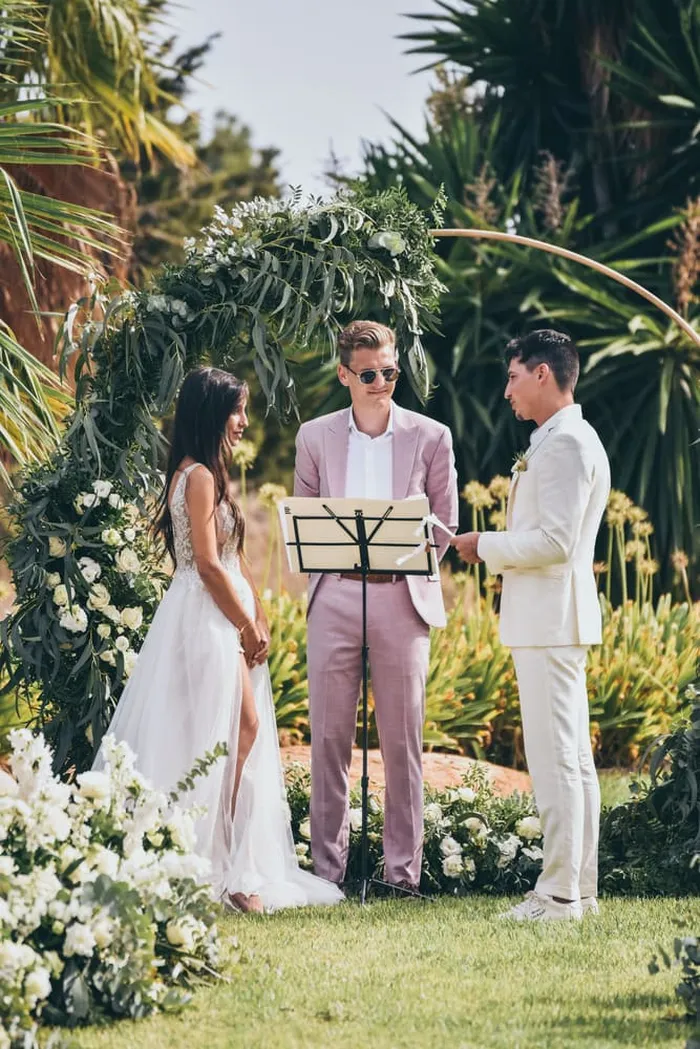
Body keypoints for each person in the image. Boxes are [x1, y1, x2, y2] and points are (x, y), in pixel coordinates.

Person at [94, 367, 343, 915]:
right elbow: (206, 563)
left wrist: (258, 610)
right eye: (237, 410)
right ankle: (220, 864)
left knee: (224, 731)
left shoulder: (211, 472)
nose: (244, 422)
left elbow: (234, 558)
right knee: (234, 729)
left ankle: (218, 856)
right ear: (212, 412)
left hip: (220, 610)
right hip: (203, 616)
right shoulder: (198, 476)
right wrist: (243, 623)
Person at [451, 330, 611, 921]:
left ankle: (559, 894)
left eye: (513, 376)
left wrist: (483, 544)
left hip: (551, 620)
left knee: (557, 759)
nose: (506, 391)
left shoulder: (567, 443)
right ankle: (580, 890)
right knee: (571, 759)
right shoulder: (559, 439)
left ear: (543, 373)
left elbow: (556, 542)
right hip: (551, 620)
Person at [294, 321, 458, 892]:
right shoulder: (313, 436)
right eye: (370, 374)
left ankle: (401, 877)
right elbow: (305, 521)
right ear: (344, 375)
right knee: (330, 738)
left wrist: (407, 560)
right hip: (332, 593)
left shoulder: (432, 436)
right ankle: (326, 875)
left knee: (402, 740)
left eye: (390, 372)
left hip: (403, 597)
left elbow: (446, 522)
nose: (383, 382)